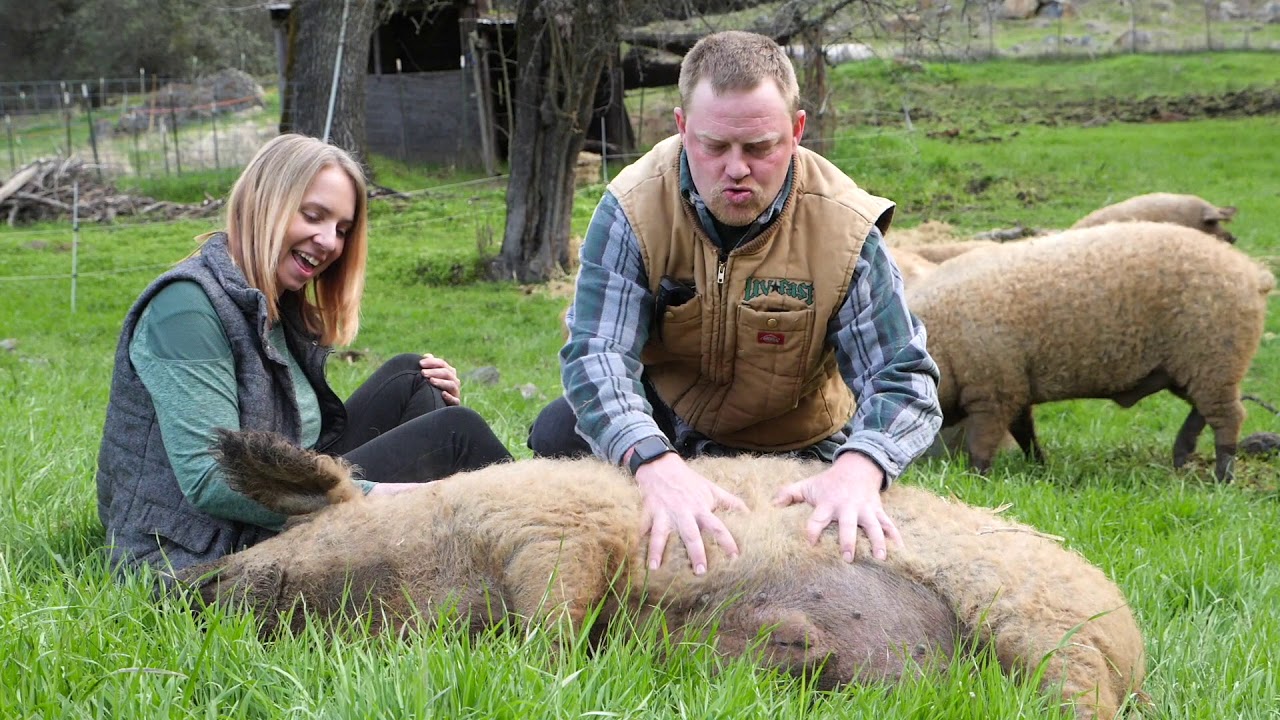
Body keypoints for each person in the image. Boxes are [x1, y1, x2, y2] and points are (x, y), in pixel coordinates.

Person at [528, 31, 941, 576]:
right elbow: (595, 354)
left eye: (759, 147)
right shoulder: (631, 208)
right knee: (558, 433)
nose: (737, 169)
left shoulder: (845, 228)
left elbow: (903, 376)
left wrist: (861, 466)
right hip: (669, 421)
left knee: (816, 566)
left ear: (795, 132)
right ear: (681, 127)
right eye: (714, 146)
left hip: (793, 443)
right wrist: (653, 462)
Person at [97, 133, 512, 576]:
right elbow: (209, 480)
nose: (329, 241)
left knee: (414, 377)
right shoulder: (184, 306)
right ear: (263, 201)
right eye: (313, 216)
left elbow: (300, 445)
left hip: (267, 508)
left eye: (342, 230)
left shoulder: (275, 301)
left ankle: (463, 554)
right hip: (205, 548)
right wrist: (373, 495)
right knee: (456, 434)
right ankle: (551, 539)